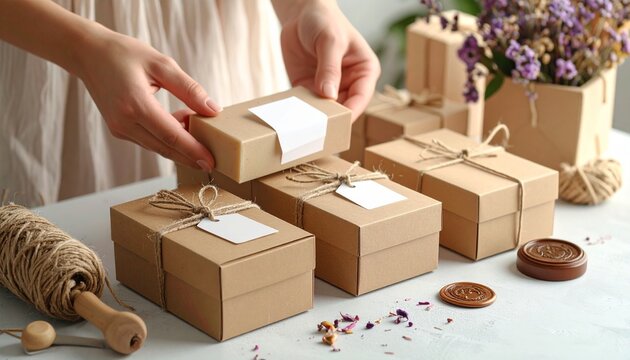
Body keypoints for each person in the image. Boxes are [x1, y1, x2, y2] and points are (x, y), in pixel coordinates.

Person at [0, 0, 380, 207]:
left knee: (242, 190)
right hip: (56, 35)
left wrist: (303, 4)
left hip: (216, 36)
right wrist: (79, 48)